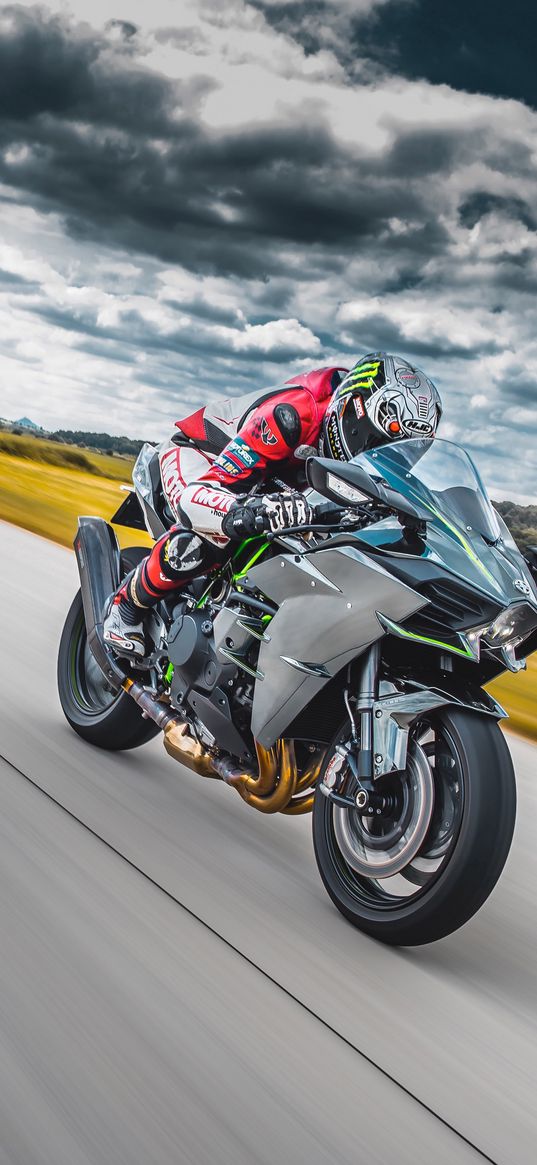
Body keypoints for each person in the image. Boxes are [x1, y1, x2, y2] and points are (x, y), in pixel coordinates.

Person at [103, 353, 443, 657]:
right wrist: (252, 510)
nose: (375, 457)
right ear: (354, 412)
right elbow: (205, 493)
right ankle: (126, 609)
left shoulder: (365, 464)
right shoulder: (294, 413)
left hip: (272, 483)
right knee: (214, 528)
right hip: (204, 458)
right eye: (375, 442)